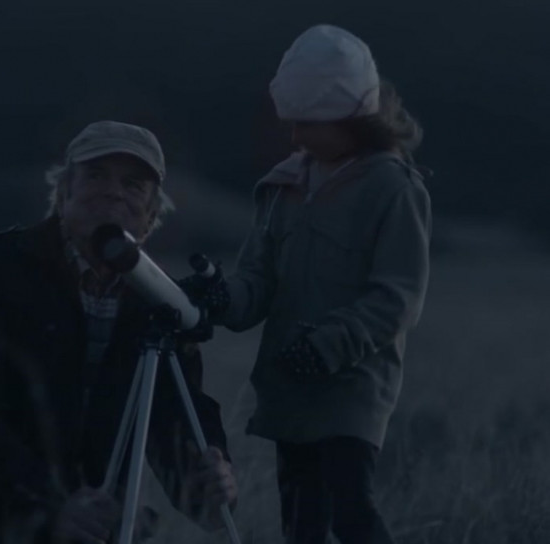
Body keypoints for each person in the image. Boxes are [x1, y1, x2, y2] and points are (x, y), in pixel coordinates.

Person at [0, 120, 238, 544]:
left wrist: (207, 480)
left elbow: (175, 415)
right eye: (96, 175)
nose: (113, 192)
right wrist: (48, 505)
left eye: (133, 184)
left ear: (152, 214)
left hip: (91, 528)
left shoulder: (160, 300)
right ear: (63, 192)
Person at [181, 25, 431, 544]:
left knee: (350, 515)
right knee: (301, 523)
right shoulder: (282, 186)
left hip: (351, 390)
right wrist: (224, 298)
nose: (294, 137)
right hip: (288, 389)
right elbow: (257, 280)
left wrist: (328, 347)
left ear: (353, 116)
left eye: (307, 124)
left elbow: (397, 298)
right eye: (290, 122)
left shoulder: (394, 189)